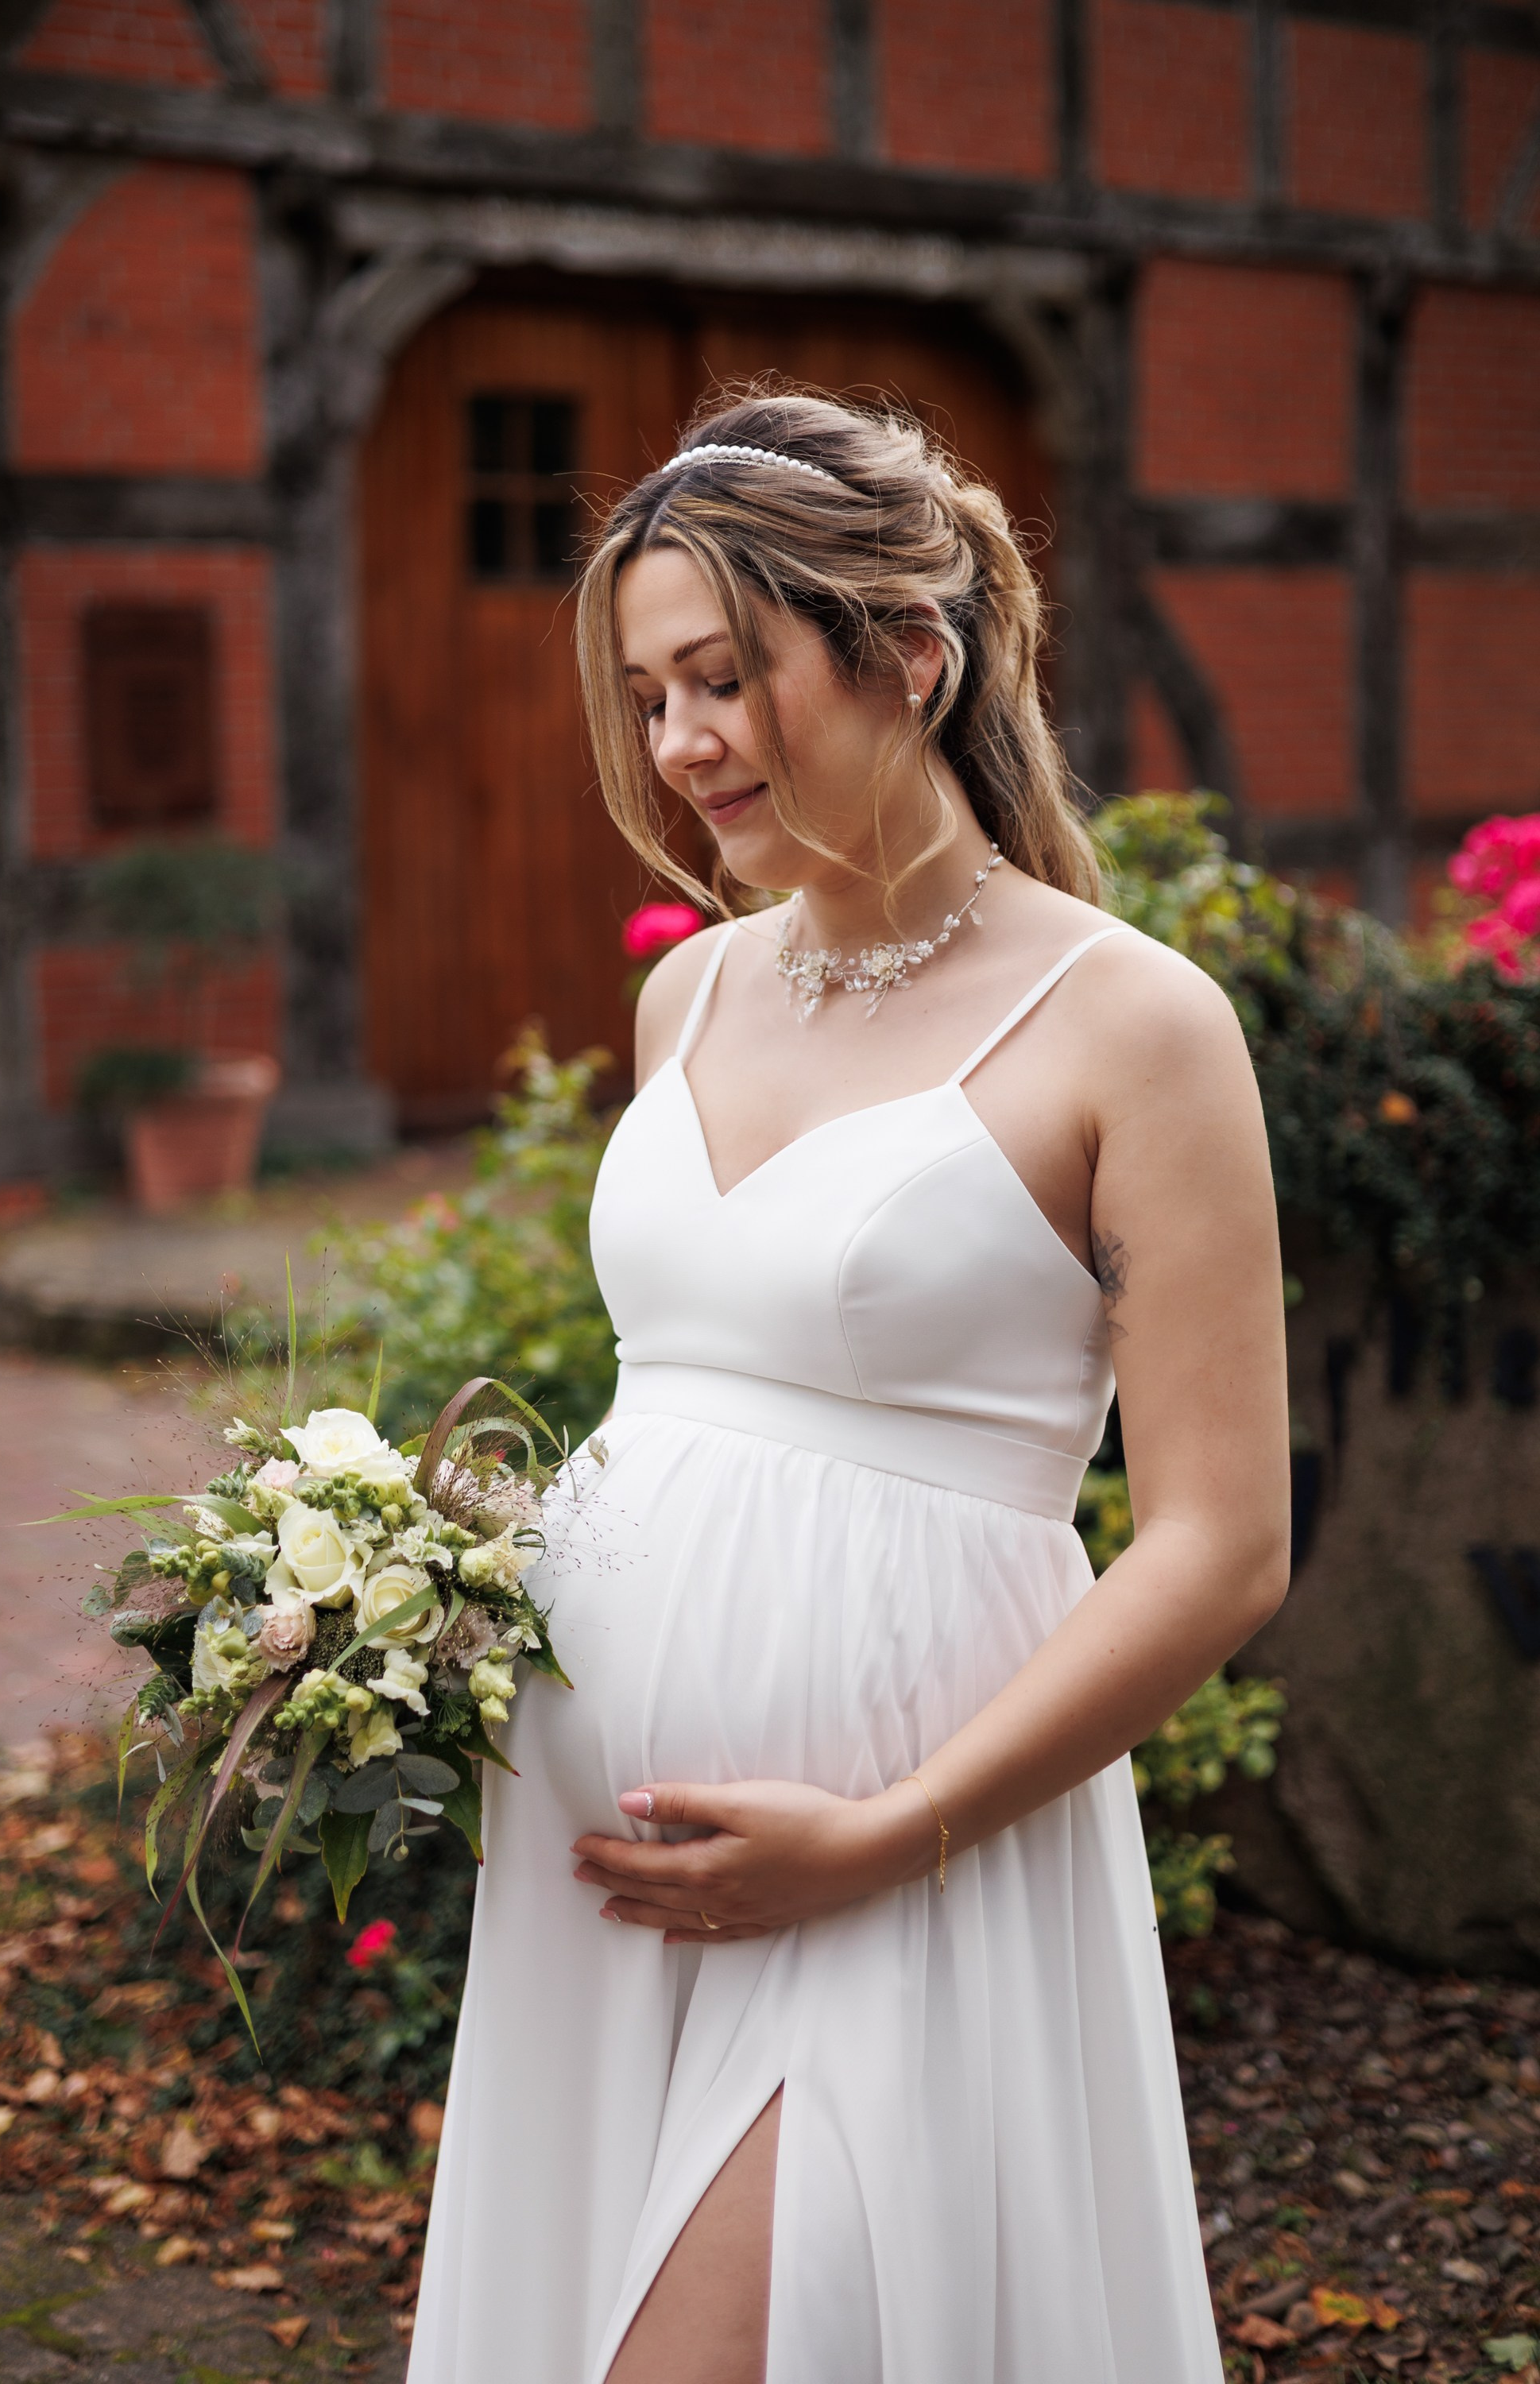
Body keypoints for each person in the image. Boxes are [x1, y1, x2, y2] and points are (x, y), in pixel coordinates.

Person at [407, 390, 1289, 2384]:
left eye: (723, 677)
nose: (679, 743)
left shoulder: (1134, 1025)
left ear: (910, 653)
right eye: (645, 698)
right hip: (598, 1862)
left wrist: (894, 1831)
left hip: (909, 1863)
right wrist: (391, 1586)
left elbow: (1225, 1546)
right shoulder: (689, 990)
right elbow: (701, 1406)